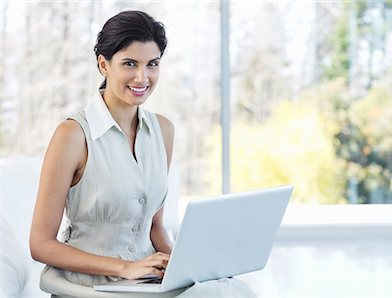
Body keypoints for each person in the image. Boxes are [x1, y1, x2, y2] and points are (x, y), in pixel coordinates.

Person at [29, 10, 256, 298]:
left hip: (146, 281)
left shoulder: (163, 130)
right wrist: (124, 268)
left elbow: (155, 226)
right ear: (103, 65)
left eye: (152, 64)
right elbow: (41, 244)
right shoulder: (72, 135)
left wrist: (187, 264)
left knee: (232, 290)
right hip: (89, 287)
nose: (142, 77)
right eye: (129, 64)